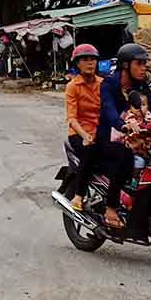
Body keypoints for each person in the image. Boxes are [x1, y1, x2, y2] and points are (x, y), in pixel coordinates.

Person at [94, 42, 151, 230]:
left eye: (145, 64)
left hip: (136, 137)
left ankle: (150, 210)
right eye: (139, 64)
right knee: (124, 158)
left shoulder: (140, 85)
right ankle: (111, 207)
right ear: (126, 65)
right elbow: (109, 110)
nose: (144, 68)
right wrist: (123, 125)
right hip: (109, 137)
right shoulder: (109, 84)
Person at [57, 43, 102, 212]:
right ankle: (78, 196)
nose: (90, 63)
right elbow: (72, 118)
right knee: (90, 152)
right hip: (78, 133)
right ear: (77, 63)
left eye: (93, 59)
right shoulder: (73, 87)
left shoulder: (103, 84)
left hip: (100, 132)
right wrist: (84, 136)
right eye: (85, 60)